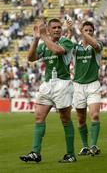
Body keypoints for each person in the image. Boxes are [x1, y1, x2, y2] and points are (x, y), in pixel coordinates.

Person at [19, 18, 76, 163]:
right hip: (47, 84)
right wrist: (37, 39)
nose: (57, 29)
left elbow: (57, 51)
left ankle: (70, 154)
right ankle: (35, 153)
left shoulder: (66, 42)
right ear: (49, 30)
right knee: (39, 117)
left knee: (65, 119)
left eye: (59, 27)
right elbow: (31, 58)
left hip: (62, 84)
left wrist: (44, 36)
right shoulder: (43, 45)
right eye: (54, 28)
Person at [67, 20, 103, 156]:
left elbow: (94, 44)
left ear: (93, 32)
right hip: (78, 86)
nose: (88, 32)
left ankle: (94, 145)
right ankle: (85, 146)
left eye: (90, 31)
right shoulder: (76, 47)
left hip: (93, 85)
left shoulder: (97, 45)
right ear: (82, 31)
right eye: (86, 30)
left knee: (94, 114)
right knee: (81, 118)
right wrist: (70, 31)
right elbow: (64, 46)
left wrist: (82, 33)